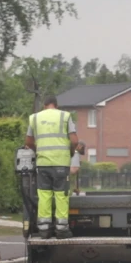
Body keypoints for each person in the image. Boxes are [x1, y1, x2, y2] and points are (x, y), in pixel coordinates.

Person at [24, 95, 78, 239]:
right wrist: (71, 152)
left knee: (44, 194)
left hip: (43, 164)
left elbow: (28, 141)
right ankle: (61, 229)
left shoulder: (35, 118)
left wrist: (39, 151)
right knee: (61, 195)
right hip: (61, 162)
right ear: (56, 105)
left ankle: (44, 229)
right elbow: (74, 140)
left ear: (44, 105)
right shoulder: (65, 116)